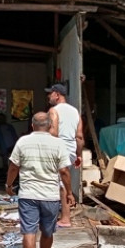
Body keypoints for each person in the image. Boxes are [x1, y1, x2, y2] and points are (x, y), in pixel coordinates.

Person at [5, 112, 72, 248]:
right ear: (50, 126)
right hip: (50, 195)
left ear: (32, 126)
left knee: (29, 231)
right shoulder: (58, 144)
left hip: (28, 194)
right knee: (47, 231)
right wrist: (70, 193)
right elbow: (64, 171)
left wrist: (9, 185)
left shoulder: (23, 142)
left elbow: (14, 167)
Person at [45, 83, 84, 228]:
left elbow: (53, 132)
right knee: (63, 182)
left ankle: (64, 218)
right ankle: (62, 216)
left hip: (57, 149)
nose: (49, 96)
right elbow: (79, 137)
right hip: (71, 151)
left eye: (50, 93)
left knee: (57, 184)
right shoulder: (76, 112)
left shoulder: (53, 111)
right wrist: (78, 155)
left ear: (57, 95)